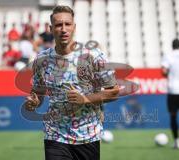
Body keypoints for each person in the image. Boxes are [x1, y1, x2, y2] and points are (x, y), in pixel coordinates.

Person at [24, 5, 119, 160]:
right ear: (51, 28)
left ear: (74, 27)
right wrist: (34, 101)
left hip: (88, 136)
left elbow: (114, 91)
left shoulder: (93, 56)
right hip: (55, 135)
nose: (63, 29)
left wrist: (85, 99)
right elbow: (38, 92)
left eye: (67, 24)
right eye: (58, 25)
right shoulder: (42, 60)